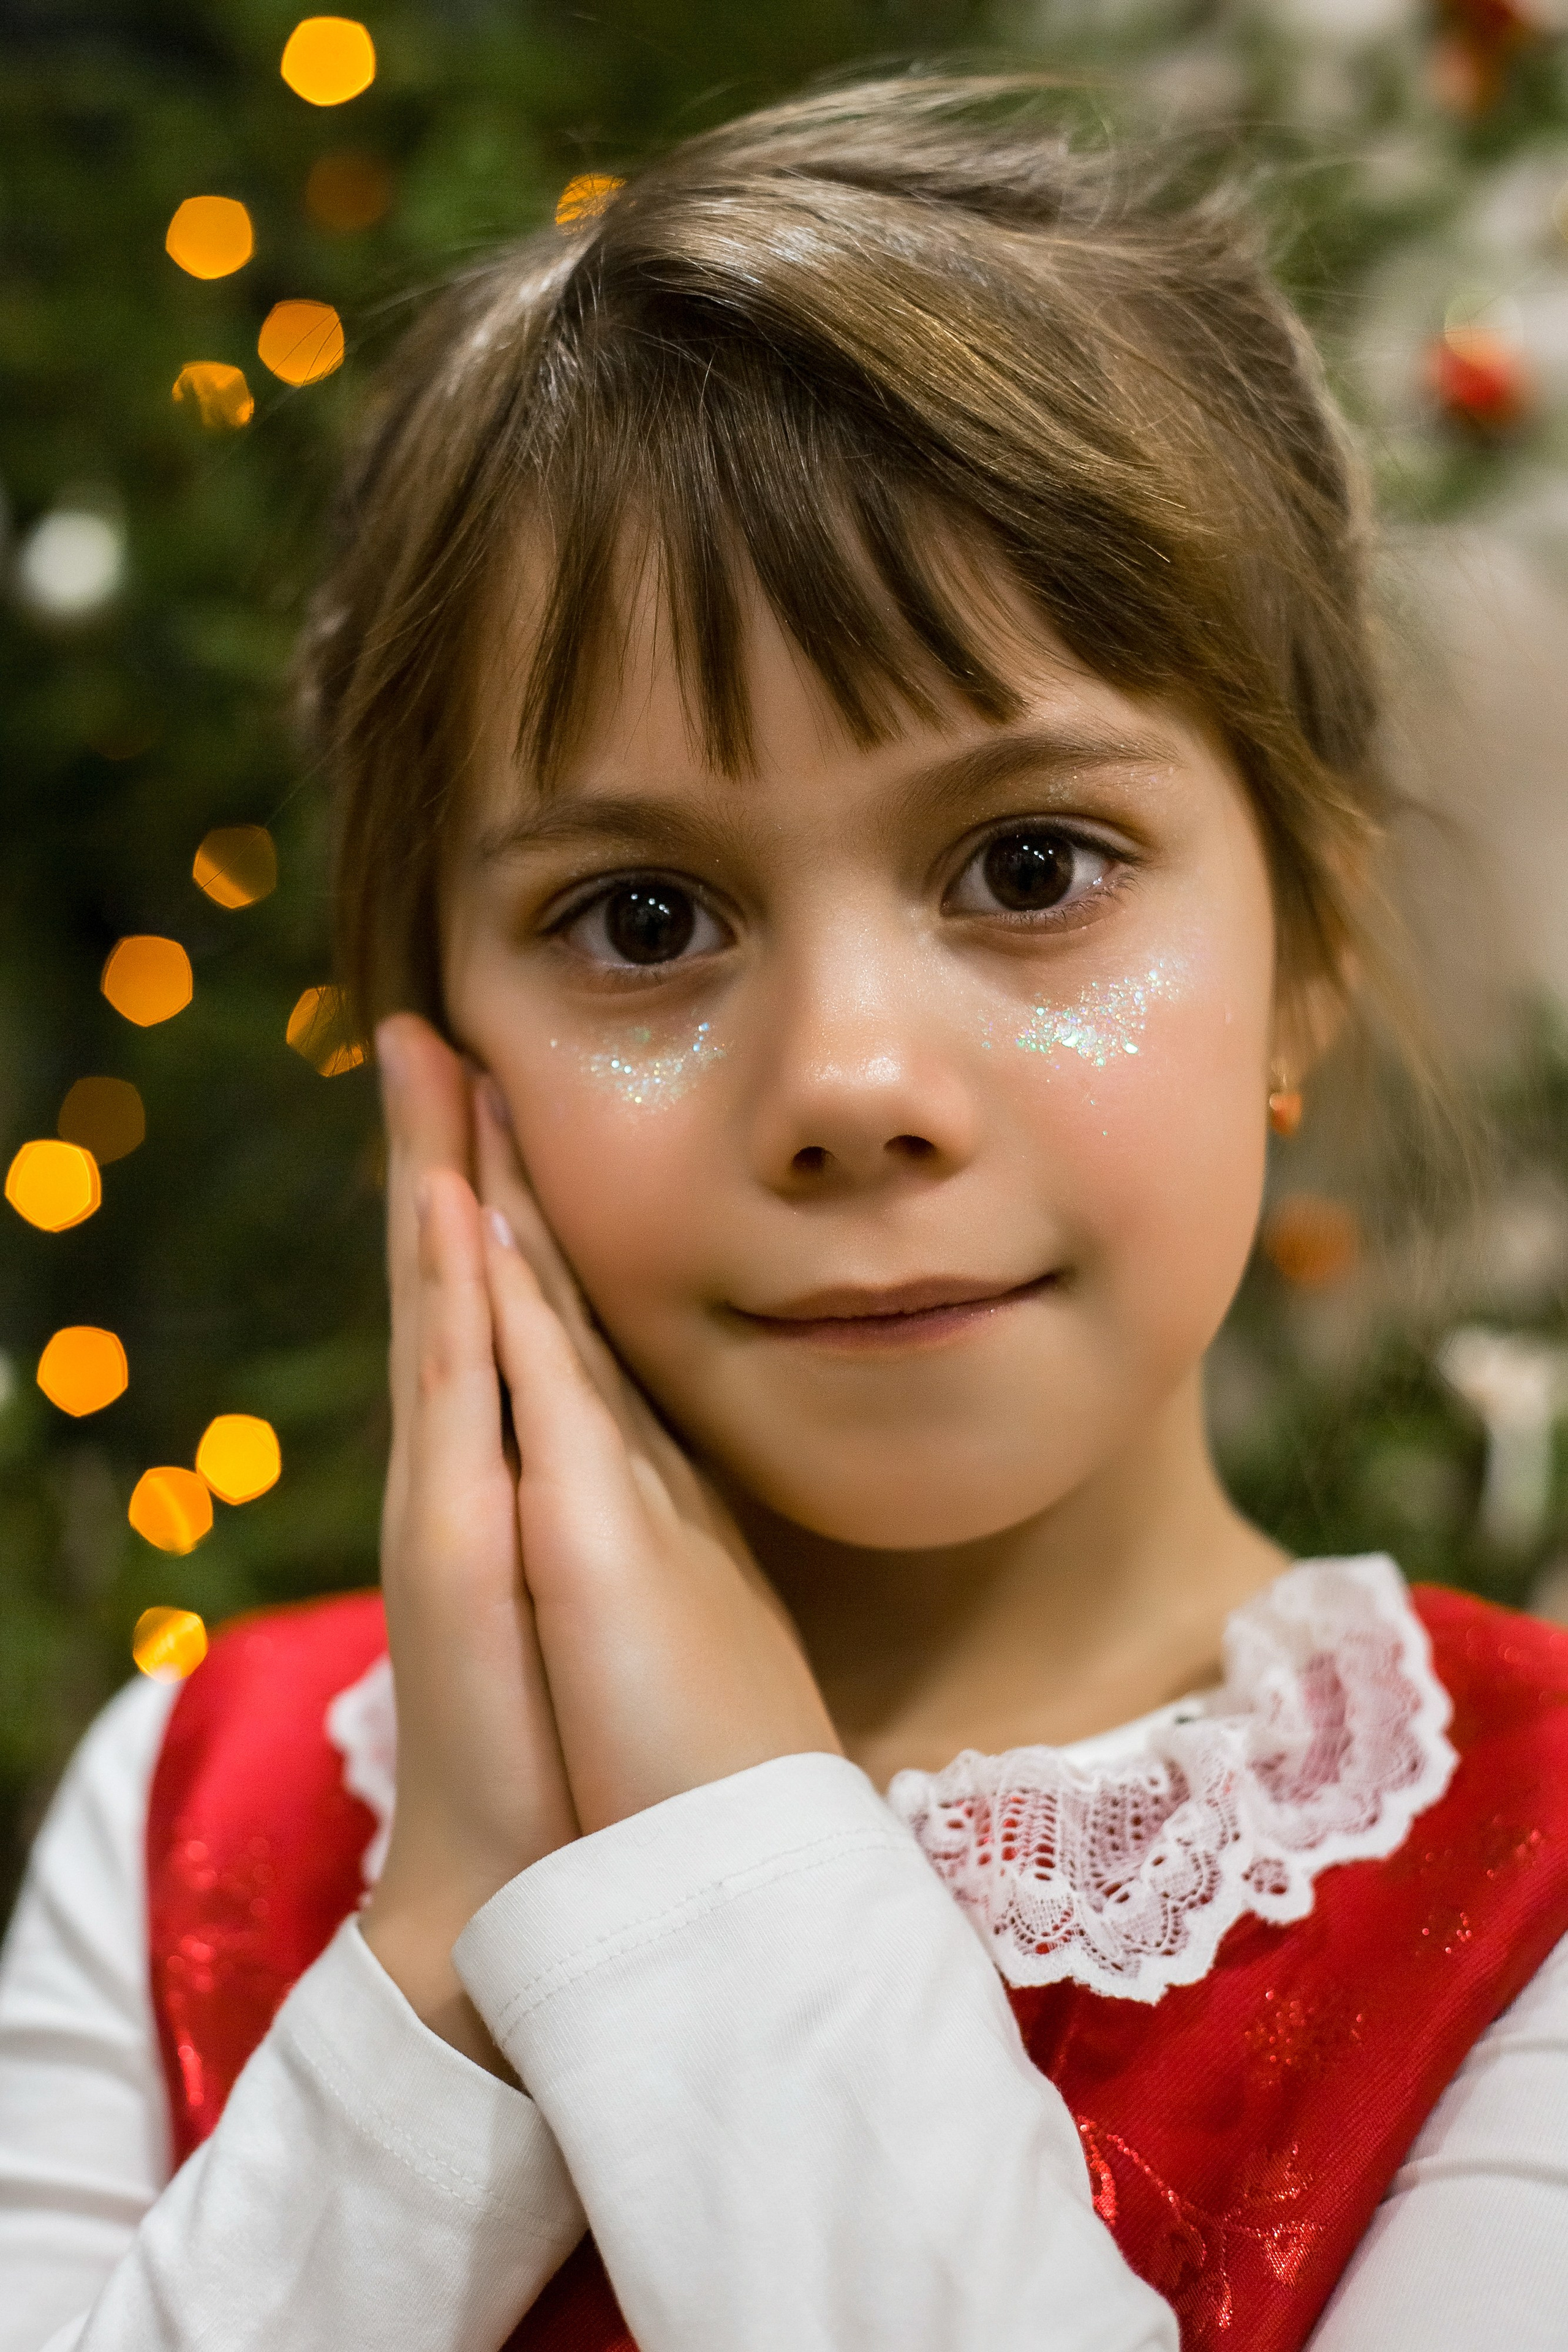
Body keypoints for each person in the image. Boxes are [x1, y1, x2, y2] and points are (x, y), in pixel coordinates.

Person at [3, 74, 1567, 2352]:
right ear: (430, 1027)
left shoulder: (1526, 1883)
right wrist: (444, 1948)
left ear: (1306, 933)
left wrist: (711, 1846)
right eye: (642, 920)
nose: (848, 1086)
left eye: (1032, 867)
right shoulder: (196, 1806)